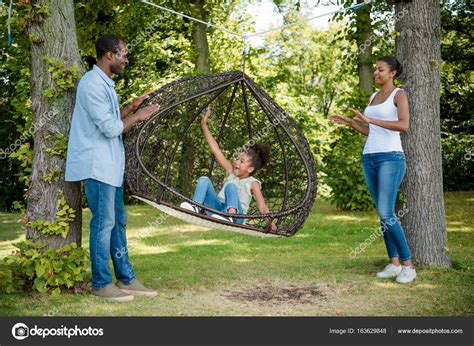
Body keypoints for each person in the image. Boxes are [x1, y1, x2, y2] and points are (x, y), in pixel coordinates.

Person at [65, 34, 161, 301]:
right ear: (109, 55)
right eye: (123, 54)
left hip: (110, 166)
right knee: (104, 223)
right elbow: (109, 128)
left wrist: (133, 106)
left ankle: (126, 279)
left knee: (118, 222)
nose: (126, 59)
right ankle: (101, 283)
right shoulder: (91, 84)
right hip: (96, 166)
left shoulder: (104, 83)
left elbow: (110, 118)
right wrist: (139, 116)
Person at [329, 56, 416, 284]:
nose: (376, 73)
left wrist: (370, 119)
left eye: (380, 70)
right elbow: (372, 132)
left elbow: (403, 125)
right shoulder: (373, 97)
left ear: (393, 73)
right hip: (370, 158)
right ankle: (394, 263)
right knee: (382, 213)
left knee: (387, 212)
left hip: (391, 158)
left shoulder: (400, 95)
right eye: (375, 69)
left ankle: (408, 265)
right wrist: (352, 123)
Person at [180, 106, 277, 232]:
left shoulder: (253, 183)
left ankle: (230, 216)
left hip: (238, 217)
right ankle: (195, 207)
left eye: (242, 161)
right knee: (204, 179)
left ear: (250, 169)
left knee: (231, 187)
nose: (236, 162)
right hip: (217, 211)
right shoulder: (230, 171)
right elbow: (216, 150)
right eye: (237, 159)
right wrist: (204, 125)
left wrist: (271, 223)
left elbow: (262, 207)